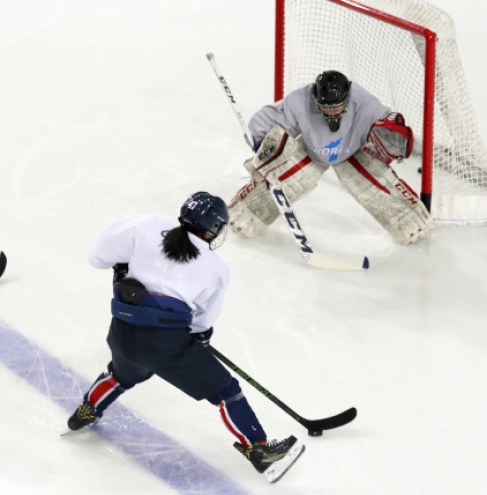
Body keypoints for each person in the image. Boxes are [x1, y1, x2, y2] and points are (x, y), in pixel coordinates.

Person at [66, 192, 304, 483]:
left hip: (122, 334)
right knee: (227, 392)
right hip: (166, 347)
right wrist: (196, 341)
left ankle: (86, 412)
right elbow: (201, 323)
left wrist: (122, 266)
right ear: (213, 229)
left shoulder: (146, 226)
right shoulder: (215, 268)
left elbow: (98, 256)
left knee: (119, 374)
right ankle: (260, 451)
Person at [228, 70, 434, 244]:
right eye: (325, 106)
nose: (331, 111)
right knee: (284, 181)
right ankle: (247, 213)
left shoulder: (366, 104)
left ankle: (409, 219)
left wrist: (393, 138)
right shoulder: (299, 100)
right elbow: (267, 119)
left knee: (375, 186)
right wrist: (264, 143)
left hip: (353, 150)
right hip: (312, 150)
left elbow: (389, 127)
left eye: (336, 106)